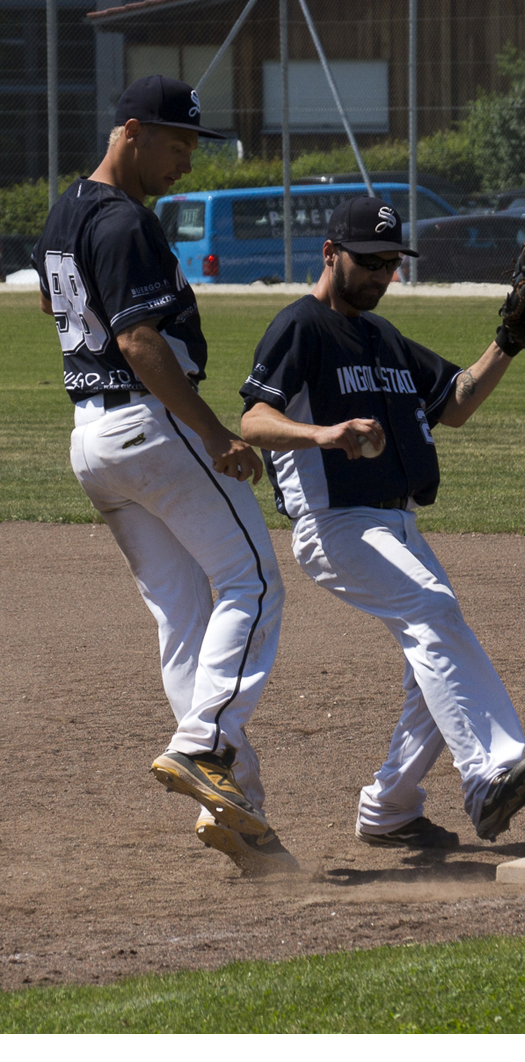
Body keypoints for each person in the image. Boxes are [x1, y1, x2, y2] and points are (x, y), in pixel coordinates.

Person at [33, 75, 296, 875]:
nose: (188, 158)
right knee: (254, 582)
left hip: (94, 440)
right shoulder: (124, 222)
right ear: (133, 132)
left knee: (184, 612)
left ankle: (236, 800)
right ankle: (203, 745)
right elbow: (141, 343)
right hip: (150, 425)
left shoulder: (64, 212)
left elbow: (62, 315)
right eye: (178, 142)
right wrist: (214, 430)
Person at [239, 195, 525, 851]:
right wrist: (325, 434)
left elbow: (454, 402)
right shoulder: (301, 326)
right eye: (370, 261)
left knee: (436, 661)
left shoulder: (383, 338)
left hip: (397, 524)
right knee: (435, 611)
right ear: (330, 254)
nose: (382, 274)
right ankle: (489, 772)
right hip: (336, 523)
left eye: (391, 263)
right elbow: (253, 420)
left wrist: (507, 342)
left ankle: (390, 807)